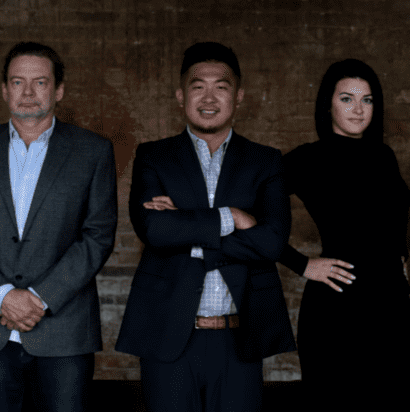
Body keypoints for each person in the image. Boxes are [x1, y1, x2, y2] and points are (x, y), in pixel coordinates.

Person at [116, 42, 295, 411]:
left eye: (221, 87)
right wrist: (234, 218)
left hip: (240, 338)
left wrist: (186, 225)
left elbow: (272, 243)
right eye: (198, 87)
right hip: (168, 334)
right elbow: (155, 231)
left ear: (238, 96)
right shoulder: (154, 156)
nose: (209, 98)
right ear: (181, 95)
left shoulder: (265, 161)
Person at [0, 41, 117, 412]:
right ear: (4, 90)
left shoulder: (93, 151)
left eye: (39, 82)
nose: (27, 92)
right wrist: (3, 296)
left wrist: (39, 299)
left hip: (65, 330)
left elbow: (98, 236)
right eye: (17, 82)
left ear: (59, 90)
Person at [278, 59, 410, 411]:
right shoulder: (309, 158)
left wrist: (400, 258)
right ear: (328, 105)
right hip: (339, 307)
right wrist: (301, 264)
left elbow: (390, 219)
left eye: (367, 100)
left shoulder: (384, 155)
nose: (358, 109)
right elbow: (243, 204)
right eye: (347, 99)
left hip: (391, 307)